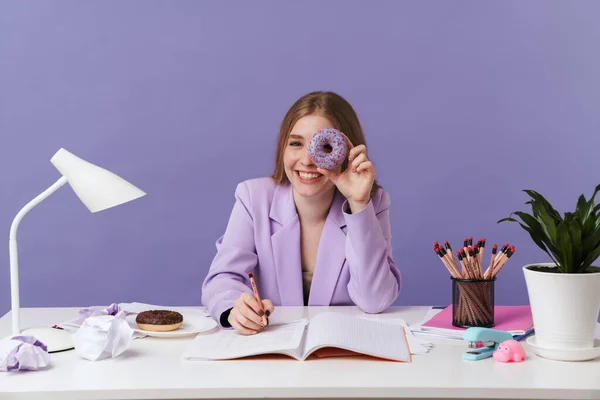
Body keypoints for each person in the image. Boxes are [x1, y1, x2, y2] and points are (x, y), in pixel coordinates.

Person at [201, 91, 401, 335]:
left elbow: (375, 300)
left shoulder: (372, 202)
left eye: (324, 146)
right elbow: (223, 278)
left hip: (341, 350)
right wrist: (235, 309)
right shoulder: (254, 198)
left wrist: (358, 203)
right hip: (271, 346)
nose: (307, 160)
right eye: (296, 143)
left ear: (347, 151)